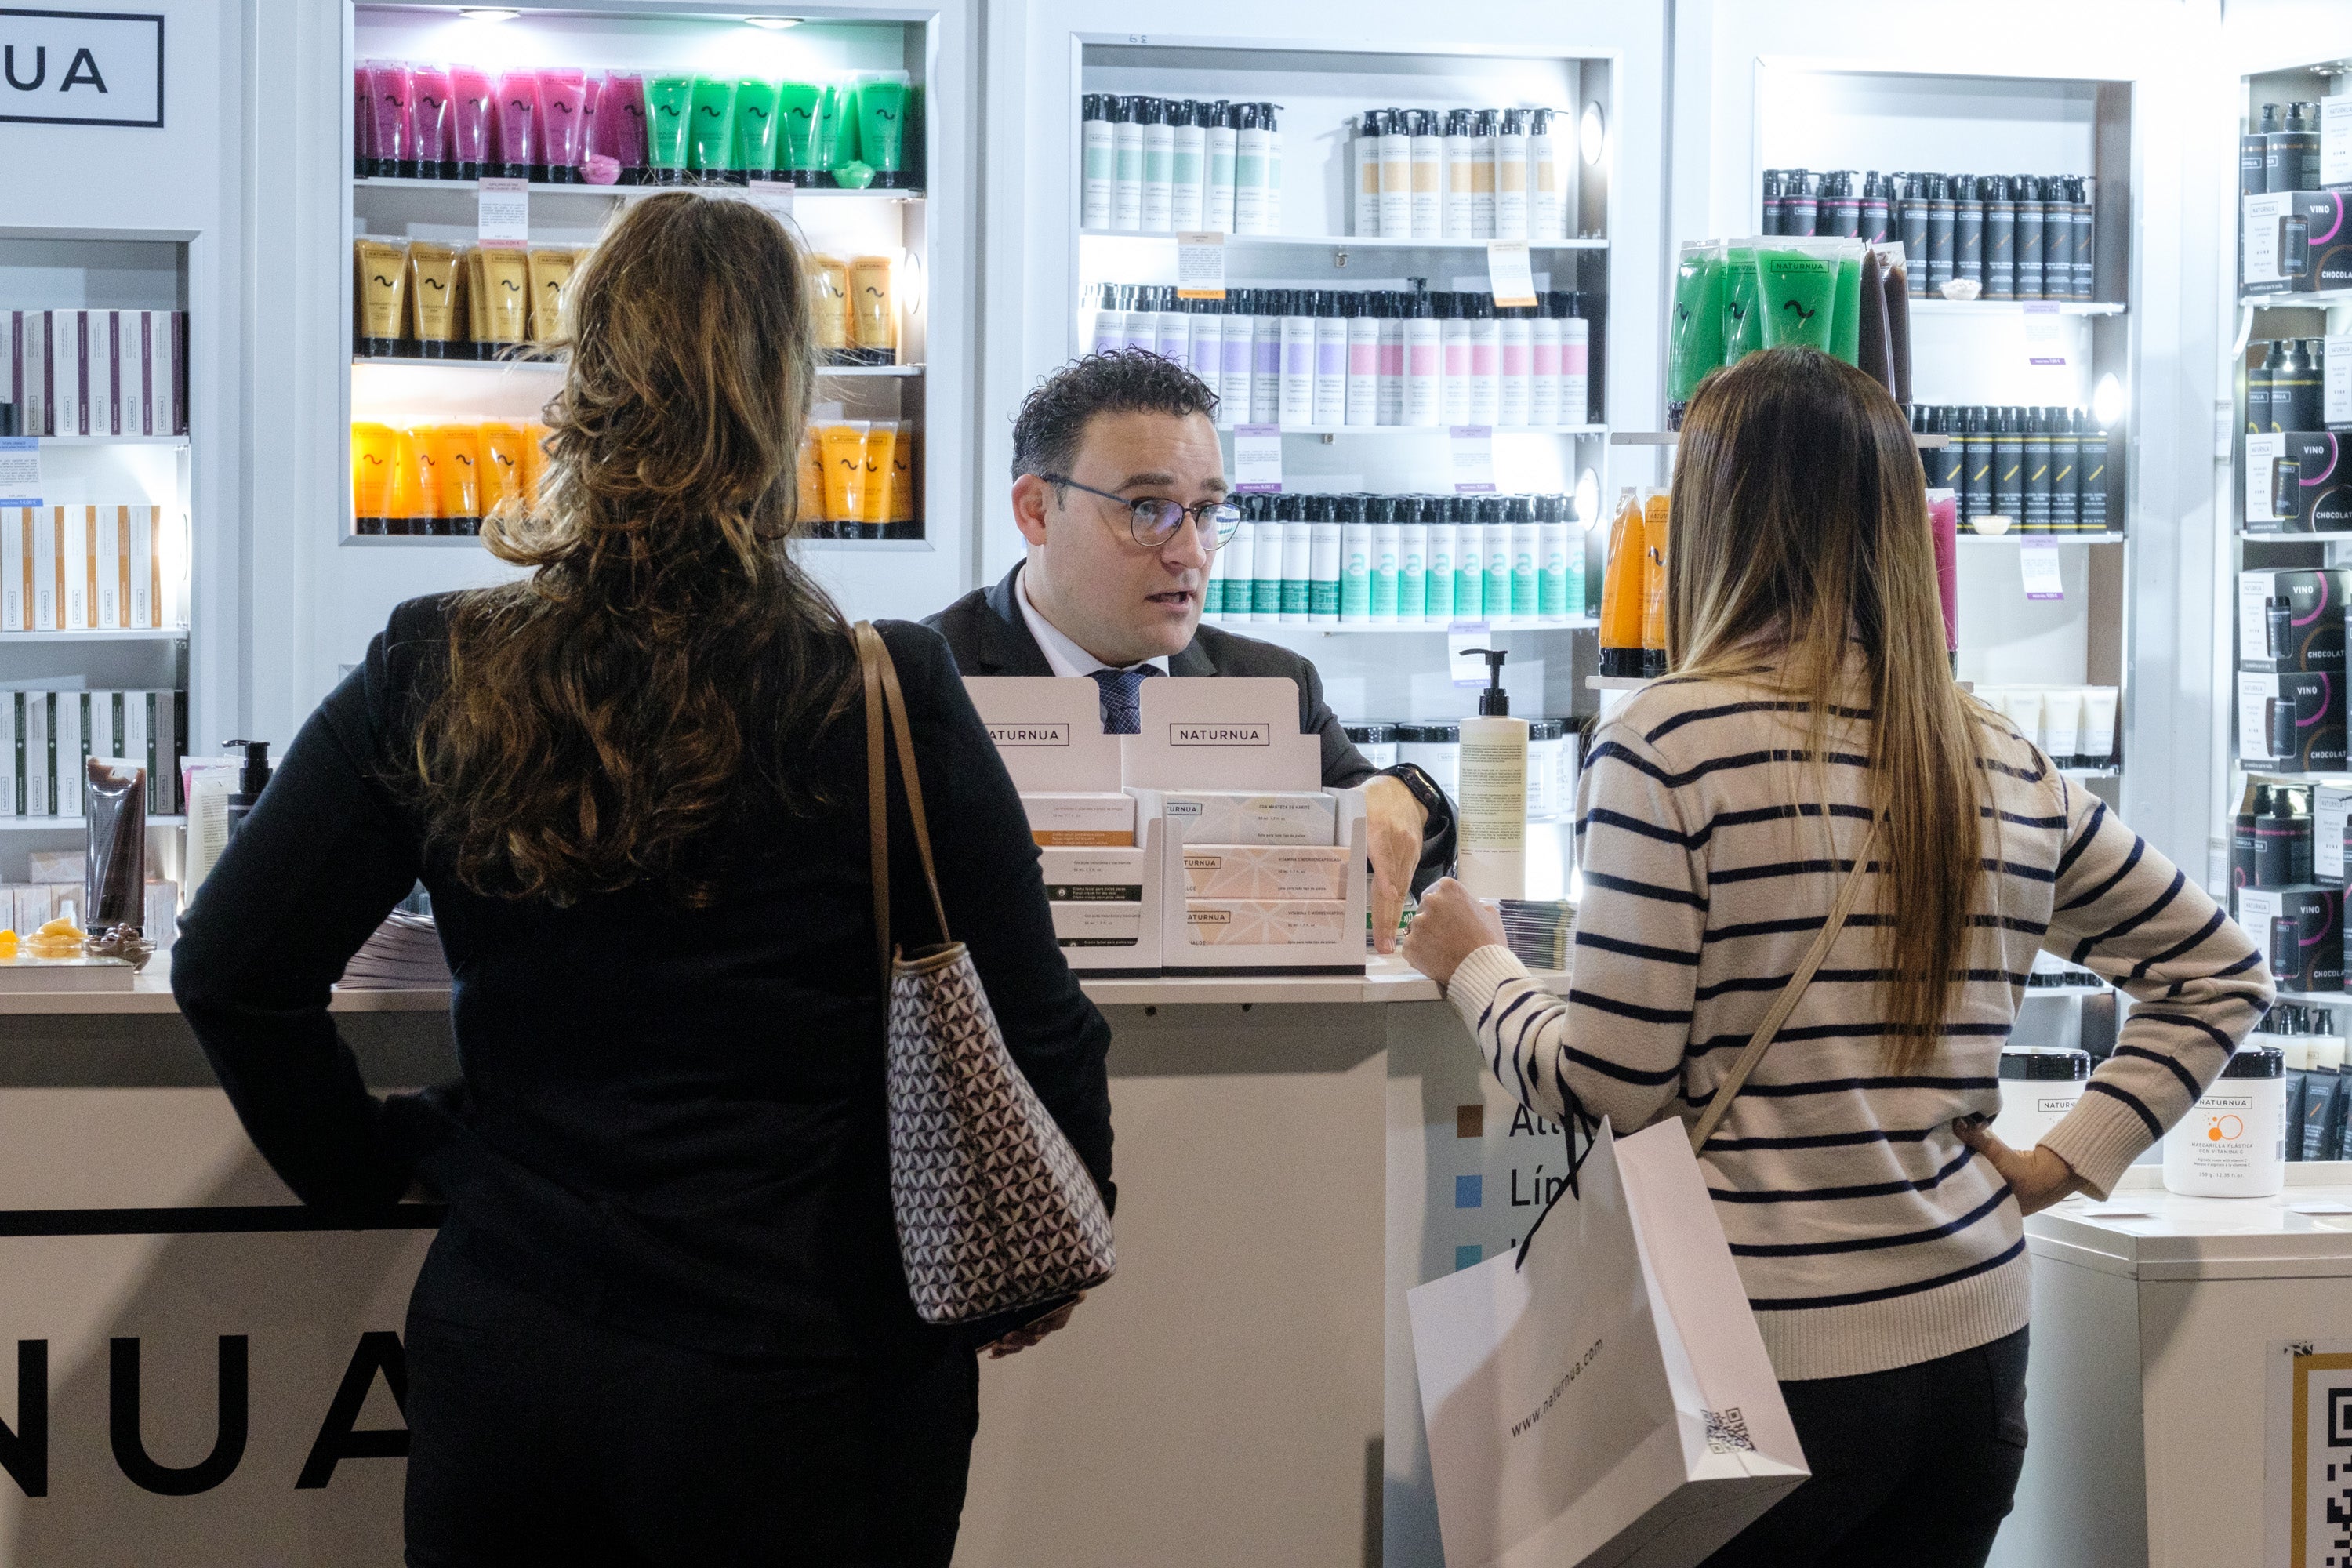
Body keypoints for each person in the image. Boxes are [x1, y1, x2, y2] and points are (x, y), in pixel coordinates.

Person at [171, 194, 1112, 1568]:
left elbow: (233, 968)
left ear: (582, 378)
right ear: (789, 399)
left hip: (518, 1350)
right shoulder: (886, 685)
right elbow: (1039, 1016)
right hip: (811, 1367)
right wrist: (1059, 1220)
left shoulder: (440, 661)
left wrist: (367, 1166)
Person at [1402, 347, 2268, 1568]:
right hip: (1974, 1352)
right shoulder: (1993, 753)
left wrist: (1476, 967)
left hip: (1761, 1368)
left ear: (1716, 518)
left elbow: (1617, 1089)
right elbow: (2218, 971)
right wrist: (2058, 1166)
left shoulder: (1667, 747)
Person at [925, 350, 1455, 949]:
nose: (1192, 553)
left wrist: (1407, 795)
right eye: (1148, 509)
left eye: (1204, 513)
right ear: (1036, 510)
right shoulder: (921, 684)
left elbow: (1397, 846)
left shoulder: (1271, 685)